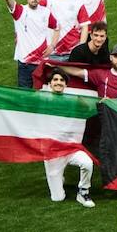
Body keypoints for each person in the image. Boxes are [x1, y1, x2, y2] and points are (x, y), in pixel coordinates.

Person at [34, 70, 95, 207]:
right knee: (58, 198)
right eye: (55, 80)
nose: (58, 82)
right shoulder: (42, 99)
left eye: (61, 80)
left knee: (87, 163)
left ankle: (83, 192)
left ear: (66, 85)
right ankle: (59, 178)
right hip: (52, 153)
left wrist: (102, 101)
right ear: (49, 84)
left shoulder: (73, 100)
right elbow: (16, 99)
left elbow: (91, 107)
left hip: (71, 148)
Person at [2, 0, 56, 87]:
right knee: (24, 96)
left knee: (43, 96)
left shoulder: (46, 12)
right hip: (25, 64)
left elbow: (57, 27)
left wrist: (52, 45)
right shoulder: (20, 11)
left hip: (43, 63)